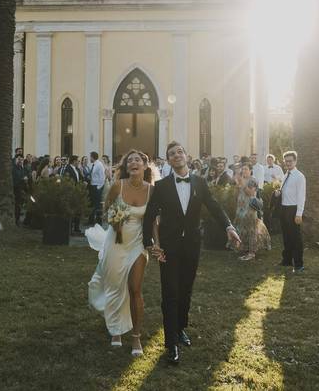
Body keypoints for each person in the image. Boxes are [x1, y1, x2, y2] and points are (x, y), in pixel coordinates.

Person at [142, 141, 241, 366]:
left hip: (192, 245)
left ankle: (180, 329)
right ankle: (171, 345)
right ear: (168, 161)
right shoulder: (162, 186)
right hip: (168, 247)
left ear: (187, 156)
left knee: (186, 290)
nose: (176, 156)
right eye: (171, 154)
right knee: (170, 292)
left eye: (179, 152)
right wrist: (150, 243)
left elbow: (214, 206)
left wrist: (229, 227)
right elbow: (149, 216)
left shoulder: (199, 182)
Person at [86, 150, 155, 357]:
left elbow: (154, 220)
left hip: (137, 244)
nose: (134, 162)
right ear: (127, 167)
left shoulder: (152, 191)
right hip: (116, 242)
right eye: (130, 160)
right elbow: (106, 210)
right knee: (116, 287)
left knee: (135, 288)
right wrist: (114, 220)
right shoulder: (118, 186)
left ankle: (136, 336)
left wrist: (156, 243)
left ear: (144, 166)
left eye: (138, 160)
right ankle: (115, 330)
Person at [232, 169, 271, 261]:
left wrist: (242, 184)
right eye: (243, 169)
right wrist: (237, 185)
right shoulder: (241, 179)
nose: (244, 171)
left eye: (246, 169)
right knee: (241, 228)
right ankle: (245, 249)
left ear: (250, 170)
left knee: (251, 229)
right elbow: (236, 195)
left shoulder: (253, 180)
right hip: (241, 207)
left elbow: (251, 193)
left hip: (249, 208)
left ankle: (252, 252)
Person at [277, 151, 307, 272]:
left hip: (293, 209)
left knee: (295, 238)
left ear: (295, 161)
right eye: (286, 161)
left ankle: (299, 264)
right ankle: (287, 260)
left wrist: (299, 213)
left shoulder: (300, 176)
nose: (288, 163)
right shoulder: (286, 174)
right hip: (284, 208)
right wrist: (278, 192)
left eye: (290, 161)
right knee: (286, 236)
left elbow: (301, 196)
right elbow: (284, 190)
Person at [87, 151, 106, 226]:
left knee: (97, 205)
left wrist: (98, 188)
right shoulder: (94, 165)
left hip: (96, 187)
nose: (89, 159)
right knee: (92, 204)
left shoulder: (99, 165)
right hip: (93, 186)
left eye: (90, 157)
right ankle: (91, 220)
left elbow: (102, 177)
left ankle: (98, 222)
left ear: (92, 157)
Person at [11, 154, 29, 226]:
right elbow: (15, 179)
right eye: (18, 159)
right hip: (15, 189)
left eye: (21, 159)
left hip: (21, 189)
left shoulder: (22, 168)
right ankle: (15, 220)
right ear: (15, 159)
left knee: (19, 205)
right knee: (16, 205)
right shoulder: (13, 168)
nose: (20, 161)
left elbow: (23, 176)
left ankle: (17, 220)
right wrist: (22, 179)